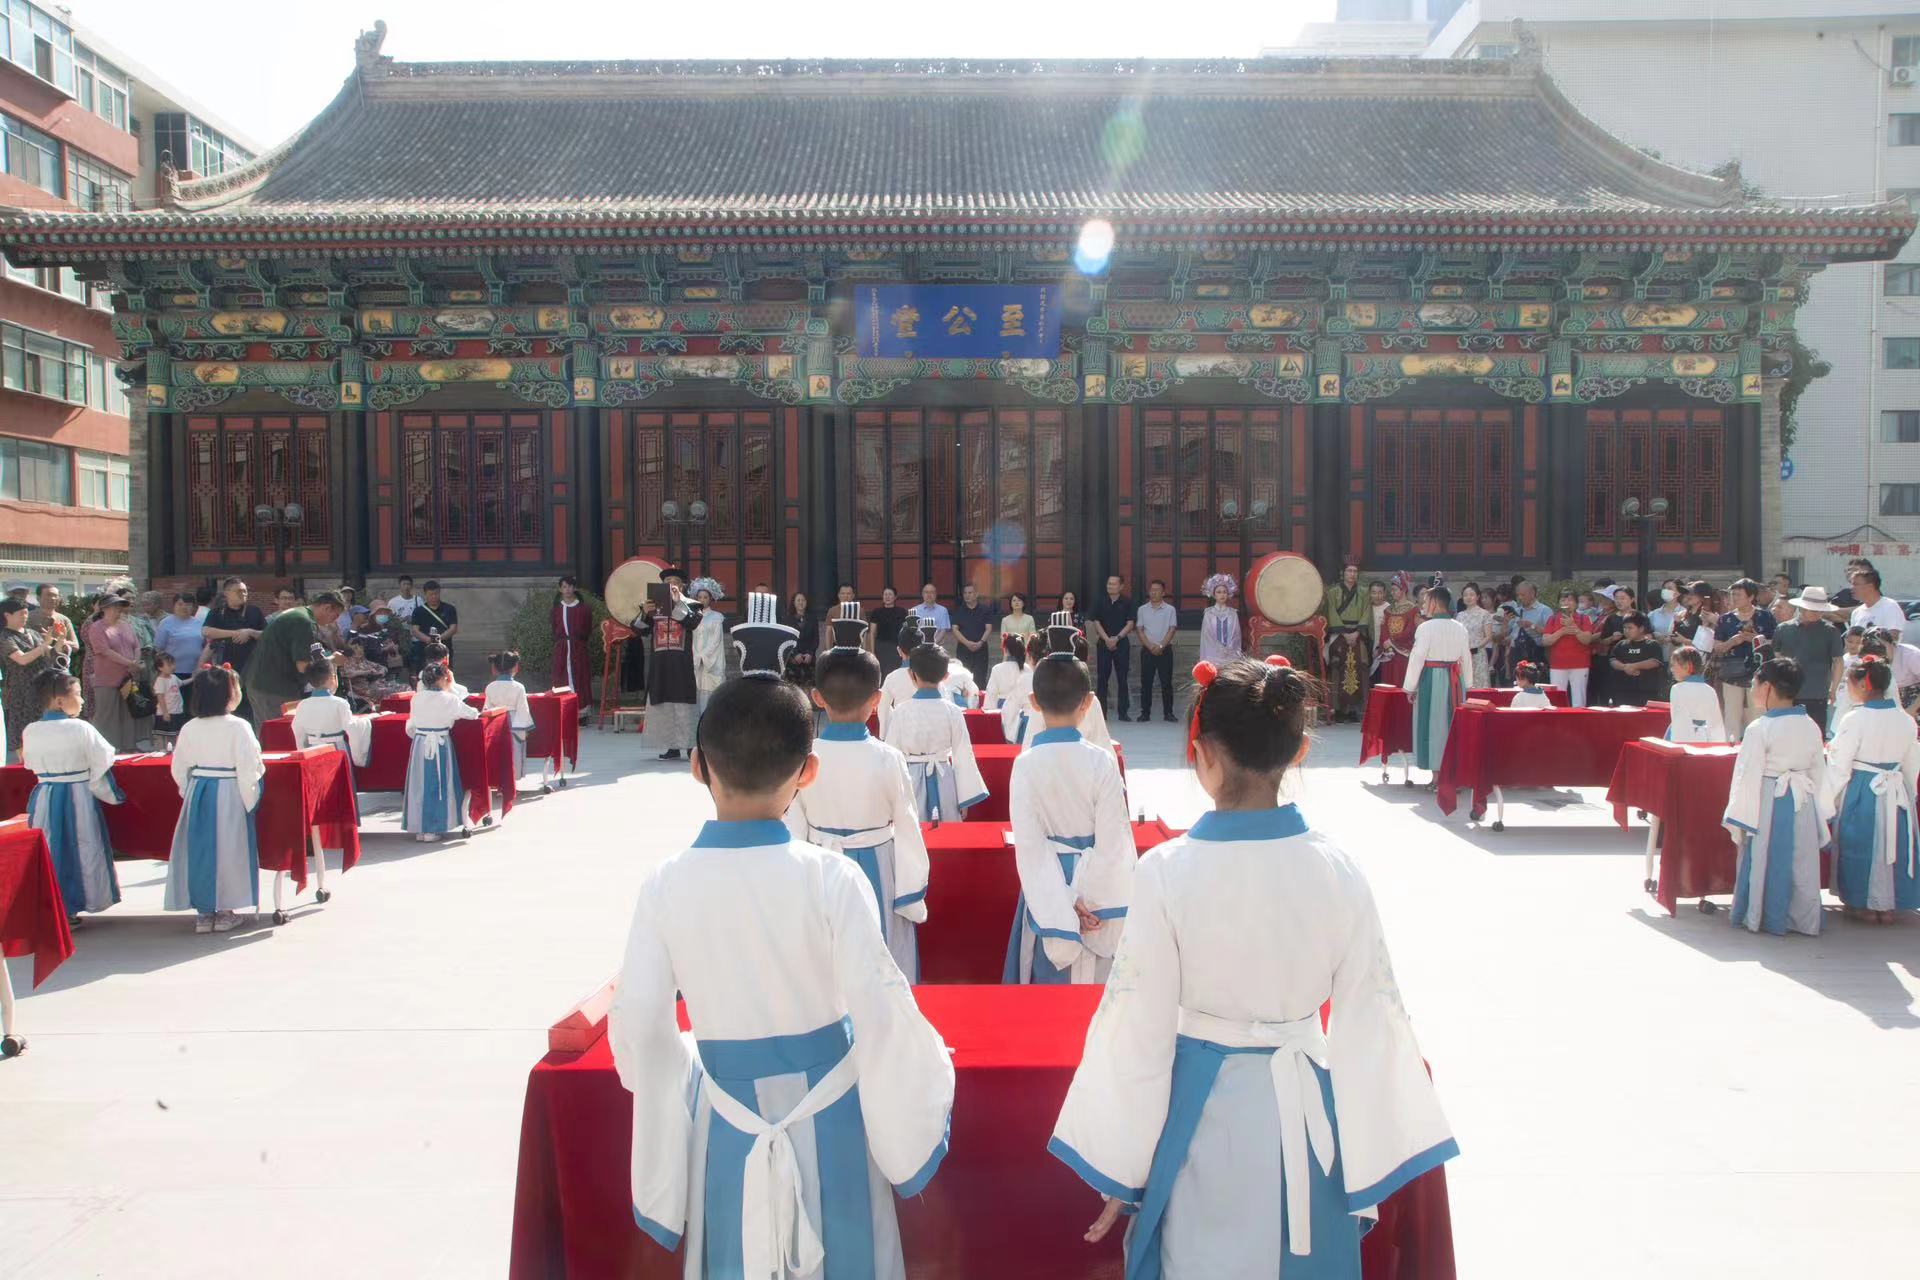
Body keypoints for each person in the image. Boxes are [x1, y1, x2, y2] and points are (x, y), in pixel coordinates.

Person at [1049, 655, 1457, 1276]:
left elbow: (1137, 1027)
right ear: (1298, 751)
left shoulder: (1166, 872)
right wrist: (1372, 1151)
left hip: (1200, 1112)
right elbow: (1372, 1018)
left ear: (1203, 753)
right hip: (1307, 1111)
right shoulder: (1338, 870)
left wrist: (1122, 1163)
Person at [607, 674, 954, 1278]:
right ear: (808, 772)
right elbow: (882, 1010)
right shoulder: (832, 878)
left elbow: (639, 1020)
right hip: (834, 1115)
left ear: (698, 767)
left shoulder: (666, 883)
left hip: (728, 1121)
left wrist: (674, 1074)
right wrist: (922, 1087)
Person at [783, 646, 931, 979]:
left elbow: (794, 824)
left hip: (820, 866)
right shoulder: (888, 757)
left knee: (824, 961)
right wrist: (910, 892)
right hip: (878, 867)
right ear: (877, 699)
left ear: (817, 698)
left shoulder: (805, 756)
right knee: (880, 956)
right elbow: (908, 825)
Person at [1004, 651, 1132, 985]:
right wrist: (1091, 900)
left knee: (1047, 986)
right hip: (1099, 898)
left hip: (1046, 890)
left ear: (1034, 702)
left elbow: (1030, 848)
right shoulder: (1102, 761)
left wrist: (1065, 904)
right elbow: (1115, 841)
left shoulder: (1025, 764)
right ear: (1088, 702)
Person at [1722, 657, 1829, 936]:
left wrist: (1739, 816)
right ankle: (1802, 918)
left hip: (1768, 799)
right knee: (1801, 860)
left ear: (1767, 686)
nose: (1752, 688)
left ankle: (1765, 914)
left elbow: (1747, 774)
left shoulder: (1760, 728)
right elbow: (1819, 771)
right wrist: (1820, 809)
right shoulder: (1810, 725)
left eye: (1755, 683)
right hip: (1802, 800)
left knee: (1766, 857)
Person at [164, 665, 265, 933]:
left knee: (200, 850)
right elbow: (249, 766)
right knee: (229, 848)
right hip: (229, 790)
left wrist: (189, 791)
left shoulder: (189, 727)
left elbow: (179, 766)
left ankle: (204, 912)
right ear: (229, 695)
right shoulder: (239, 726)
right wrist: (251, 796)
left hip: (199, 790)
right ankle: (225, 911)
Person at [1824, 658, 1920, 923]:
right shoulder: (1905, 720)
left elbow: (1840, 763)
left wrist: (1828, 798)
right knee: (1894, 844)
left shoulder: (1855, 719)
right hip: (1896, 789)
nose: (1847, 687)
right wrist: (1909, 794)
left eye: (1849, 682)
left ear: (1863, 685)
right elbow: (1912, 763)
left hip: (1863, 789)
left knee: (1861, 844)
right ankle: (1889, 905)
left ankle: (1863, 903)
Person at [23, 669, 122, 920]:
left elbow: (29, 763)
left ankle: (54, 908)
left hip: (46, 796)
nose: (83, 700)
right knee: (83, 846)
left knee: (50, 847)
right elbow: (103, 757)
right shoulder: (80, 728)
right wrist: (107, 790)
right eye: (78, 694)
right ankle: (80, 901)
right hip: (77, 796)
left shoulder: (31, 730)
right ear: (60, 701)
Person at [883, 644, 987, 824]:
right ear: (946, 676)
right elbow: (963, 754)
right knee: (947, 829)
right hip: (944, 778)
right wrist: (964, 798)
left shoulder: (901, 711)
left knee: (914, 828)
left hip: (911, 779)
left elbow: (891, 755)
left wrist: (890, 797)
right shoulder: (953, 711)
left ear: (911, 674)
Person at [291, 644, 371, 826]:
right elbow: (351, 727)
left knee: (319, 788)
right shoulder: (340, 703)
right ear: (332, 678)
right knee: (339, 787)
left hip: (313, 749)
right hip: (337, 749)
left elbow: (297, 730)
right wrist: (365, 723)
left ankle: (321, 825)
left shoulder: (303, 705)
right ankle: (344, 824)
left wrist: (303, 749)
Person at [245, 592, 346, 729]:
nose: (334, 621)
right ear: (327, 608)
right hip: (276, 689)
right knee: (282, 735)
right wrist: (332, 660)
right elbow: (303, 666)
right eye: (335, 616)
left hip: (260, 684)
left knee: (267, 734)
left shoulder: (296, 614)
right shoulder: (303, 622)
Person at [405, 661, 481, 842]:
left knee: (420, 785)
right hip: (440, 743)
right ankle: (433, 828)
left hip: (420, 743)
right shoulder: (449, 699)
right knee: (438, 783)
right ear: (442, 679)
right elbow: (472, 713)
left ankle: (420, 827)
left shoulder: (416, 698)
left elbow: (412, 723)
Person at [1402, 585, 1473, 776]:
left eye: (1426, 601)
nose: (1423, 605)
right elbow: (1466, 657)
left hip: (1431, 679)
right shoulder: (1460, 627)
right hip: (1455, 680)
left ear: (1434, 602)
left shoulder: (1425, 628)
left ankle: (1436, 776)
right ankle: (1452, 773)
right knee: (1451, 724)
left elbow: (1417, 657)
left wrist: (1410, 687)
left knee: (1433, 725)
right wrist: (1468, 685)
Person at [640, 567, 701, 761]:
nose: (671, 585)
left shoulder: (692, 605)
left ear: (682, 586)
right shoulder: (653, 606)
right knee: (664, 703)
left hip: (681, 663)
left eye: (675, 582)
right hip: (660, 663)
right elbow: (639, 630)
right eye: (667, 582)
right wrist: (644, 614)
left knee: (684, 702)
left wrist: (677, 603)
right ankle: (671, 747)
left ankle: (690, 745)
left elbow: (693, 623)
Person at [1769, 587, 1845, 731]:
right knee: (1786, 733)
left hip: (1817, 693)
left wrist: (1833, 688)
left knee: (1816, 733)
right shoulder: (1783, 629)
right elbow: (1776, 658)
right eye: (1814, 610)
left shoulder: (1831, 631)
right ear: (1802, 608)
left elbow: (1838, 661)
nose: (1818, 613)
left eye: (1821, 610)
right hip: (1787, 693)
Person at [1712, 578, 1776, 738]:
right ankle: (1731, 747)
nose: (1734, 598)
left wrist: (1756, 639)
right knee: (1732, 715)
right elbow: (1717, 648)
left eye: (1738, 595)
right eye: (1732, 594)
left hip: (1758, 672)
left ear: (1751, 596)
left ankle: (1757, 745)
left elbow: (1775, 643)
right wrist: (1733, 641)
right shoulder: (1725, 619)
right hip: (1731, 672)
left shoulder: (1765, 616)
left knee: (1757, 714)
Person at [0, 596, 58, 760]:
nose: (25, 616)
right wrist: (44, 645)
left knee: (45, 729)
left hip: (42, 689)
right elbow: (22, 659)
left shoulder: (32, 633)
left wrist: (59, 641)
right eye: (21, 613)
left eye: (26, 613)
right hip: (21, 693)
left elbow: (49, 655)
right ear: (7, 615)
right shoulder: (4, 637)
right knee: (23, 733)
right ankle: (25, 766)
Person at [82, 594, 141, 752]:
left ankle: (129, 747)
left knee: (128, 712)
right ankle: (105, 749)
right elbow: (104, 651)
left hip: (127, 677)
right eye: (115, 606)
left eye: (120, 606)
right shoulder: (97, 627)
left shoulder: (125, 625)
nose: (119, 610)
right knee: (106, 714)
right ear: (105, 608)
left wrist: (135, 661)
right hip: (106, 678)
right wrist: (129, 663)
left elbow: (136, 645)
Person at [201, 578, 267, 711]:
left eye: (245, 591)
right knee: (227, 703)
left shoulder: (254, 611)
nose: (243, 594)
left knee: (251, 707)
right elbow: (206, 631)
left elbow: (267, 634)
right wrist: (236, 633)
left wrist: (250, 632)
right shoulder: (217, 612)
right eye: (239, 591)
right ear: (227, 593)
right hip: (225, 667)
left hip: (252, 667)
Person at [483, 649, 536, 784]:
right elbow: (523, 709)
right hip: (515, 723)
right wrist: (525, 729)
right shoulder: (519, 687)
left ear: (495, 668)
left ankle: (498, 781)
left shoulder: (490, 687)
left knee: (497, 753)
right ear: (515, 667)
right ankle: (511, 782)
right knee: (514, 753)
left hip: (495, 722)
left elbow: (486, 709)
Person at [1088, 575, 1134, 722]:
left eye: (1113, 584)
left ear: (1121, 586)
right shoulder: (1100, 601)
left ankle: (1123, 712)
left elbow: (1130, 623)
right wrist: (1107, 639)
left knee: (1122, 678)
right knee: (1102, 679)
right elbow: (1096, 622)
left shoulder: (1127, 602)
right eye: (1109, 583)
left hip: (1121, 644)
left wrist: (1117, 638)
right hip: (1103, 644)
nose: (1110, 586)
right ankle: (1102, 713)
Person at [1542, 589, 1596, 707]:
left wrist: (1574, 627)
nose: (1566, 602)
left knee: (1579, 698)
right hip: (1557, 664)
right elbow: (1545, 641)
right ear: (1559, 603)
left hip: (1580, 664)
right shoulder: (1552, 619)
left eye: (1570, 600)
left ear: (1576, 603)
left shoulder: (1584, 618)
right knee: (1557, 698)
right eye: (1563, 600)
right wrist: (1562, 631)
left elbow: (1587, 640)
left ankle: (1579, 718)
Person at [1134, 579, 1179, 723]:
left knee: (1166, 683)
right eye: (1152, 590)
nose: (1153, 592)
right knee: (1146, 682)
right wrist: (1149, 646)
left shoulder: (1170, 609)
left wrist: (1160, 646)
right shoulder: (1142, 609)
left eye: (1157, 590)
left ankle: (1168, 713)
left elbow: (1172, 629)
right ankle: (1145, 713)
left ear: (1163, 593)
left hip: (1165, 650)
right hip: (1147, 650)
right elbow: (1139, 630)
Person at [1665, 648, 1726, 743]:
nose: (1671, 669)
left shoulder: (1677, 689)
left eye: (1673, 665)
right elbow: (1716, 723)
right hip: (1706, 743)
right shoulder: (1710, 690)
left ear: (1686, 666)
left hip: (1682, 741)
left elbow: (1678, 722)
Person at [550, 575, 593, 706]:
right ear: (560, 589)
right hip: (562, 647)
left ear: (574, 588)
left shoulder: (584, 609)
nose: (567, 589)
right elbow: (554, 628)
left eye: (570, 586)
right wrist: (562, 642)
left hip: (578, 646)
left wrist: (578, 642)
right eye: (564, 587)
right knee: (561, 675)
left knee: (580, 674)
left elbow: (588, 628)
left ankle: (582, 708)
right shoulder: (556, 609)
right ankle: (563, 707)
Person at [1371, 572, 1419, 689]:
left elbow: (1410, 630)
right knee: (1388, 683)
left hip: (1403, 654)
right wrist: (1386, 643)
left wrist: (1392, 642)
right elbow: (1384, 628)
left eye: (1395, 590)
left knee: (1401, 682)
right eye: (1391, 590)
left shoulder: (1413, 610)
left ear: (1404, 590)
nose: (1392, 592)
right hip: (1389, 653)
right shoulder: (1388, 610)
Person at [1607, 613, 1666, 707]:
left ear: (1641, 628)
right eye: (1624, 628)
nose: (1626, 631)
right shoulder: (1621, 645)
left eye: (1630, 628)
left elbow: (1655, 661)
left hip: (1647, 692)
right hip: (1623, 692)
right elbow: (1613, 660)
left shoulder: (1652, 644)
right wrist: (1624, 667)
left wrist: (1634, 666)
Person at [153, 593, 205, 699]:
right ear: (174, 606)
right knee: (173, 704)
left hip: (195, 671)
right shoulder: (165, 623)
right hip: (172, 672)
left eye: (188, 604)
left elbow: (205, 646)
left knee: (193, 703)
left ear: (193, 607)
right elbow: (158, 648)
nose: (184, 607)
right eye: (180, 604)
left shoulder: (199, 623)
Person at [690, 578, 728, 718]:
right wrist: (696, 656)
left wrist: (703, 656)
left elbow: (716, 640)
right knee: (697, 688)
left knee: (711, 689)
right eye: (700, 597)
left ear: (710, 598)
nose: (702, 600)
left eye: (705, 597)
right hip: (696, 658)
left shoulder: (717, 617)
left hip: (711, 660)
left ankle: (712, 719)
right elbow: (691, 639)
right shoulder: (692, 616)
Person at [950, 582, 999, 690]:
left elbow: (988, 628)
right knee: (963, 678)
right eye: (965, 593)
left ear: (976, 594)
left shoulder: (985, 610)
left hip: (981, 649)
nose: (967, 595)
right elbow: (955, 629)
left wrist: (981, 642)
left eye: (970, 592)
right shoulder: (958, 611)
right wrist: (967, 643)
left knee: (980, 678)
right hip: (963, 649)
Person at [1001, 633, 1042, 745]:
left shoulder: (1025, 678)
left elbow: (1009, 710)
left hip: (1029, 724)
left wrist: (1010, 733)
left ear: (1029, 655)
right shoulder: (1060, 678)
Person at [28, 582, 77, 675]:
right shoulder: (28, 618)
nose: (53, 598)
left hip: (59, 668)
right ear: (38, 598)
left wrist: (56, 640)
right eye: (49, 595)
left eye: (56, 596)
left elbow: (75, 646)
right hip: (35, 670)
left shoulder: (64, 619)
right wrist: (41, 638)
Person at [410, 581, 460, 665]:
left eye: (436, 594)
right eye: (431, 594)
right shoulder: (418, 611)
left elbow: (453, 628)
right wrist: (428, 639)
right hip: (425, 649)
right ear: (425, 594)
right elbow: (415, 630)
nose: (434, 597)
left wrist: (438, 639)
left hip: (444, 648)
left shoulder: (449, 609)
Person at [1455, 582, 1494, 691]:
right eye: (1465, 595)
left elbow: (1489, 636)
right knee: (1465, 684)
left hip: (1479, 653)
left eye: (1471, 595)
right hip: (1463, 654)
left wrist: (1476, 647)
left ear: (1477, 597)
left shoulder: (1484, 614)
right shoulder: (1460, 615)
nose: (1468, 597)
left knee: (1480, 684)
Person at [1847, 567, 1903, 642]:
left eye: (1855, 584)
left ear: (1870, 586)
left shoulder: (1890, 606)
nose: (1851, 588)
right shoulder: (1856, 612)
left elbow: (1893, 638)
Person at [1197, 573, 1242, 667]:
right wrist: (1219, 649)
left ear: (1228, 594)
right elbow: (1207, 636)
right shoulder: (1209, 613)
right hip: (1212, 654)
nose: (1222, 594)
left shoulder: (1233, 613)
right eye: (1219, 592)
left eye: (1224, 592)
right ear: (1214, 594)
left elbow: (1236, 635)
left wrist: (1228, 649)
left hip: (1230, 654)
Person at [982, 632, 1027, 711]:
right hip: (1023, 709)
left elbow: (991, 694)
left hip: (1003, 709)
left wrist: (989, 710)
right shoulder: (1027, 669)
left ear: (1005, 649)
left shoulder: (997, 669)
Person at [870, 586, 908, 677]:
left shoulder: (902, 612)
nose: (887, 597)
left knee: (896, 674)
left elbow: (905, 631)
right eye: (885, 594)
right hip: (881, 647)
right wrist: (872, 651)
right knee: (882, 673)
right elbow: (872, 633)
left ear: (895, 597)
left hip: (897, 647)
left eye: (890, 594)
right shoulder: (876, 612)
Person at [783, 591, 819, 689]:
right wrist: (795, 654)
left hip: (809, 658)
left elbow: (815, 639)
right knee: (793, 689)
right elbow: (787, 639)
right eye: (798, 600)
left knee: (809, 688)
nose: (801, 602)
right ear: (794, 603)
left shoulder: (812, 619)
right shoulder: (787, 620)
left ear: (806, 602)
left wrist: (810, 653)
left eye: (803, 600)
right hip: (793, 659)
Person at [151, 652, 185, 741]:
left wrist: (194, 678)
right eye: (169, 665)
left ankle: (173, 748)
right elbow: (160, 698)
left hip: (177, 711)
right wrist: (165, 712)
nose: (172, 667)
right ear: (160, 668)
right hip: (167, 712)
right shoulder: (160, 681)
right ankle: (162, 748)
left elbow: (182, 683)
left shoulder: (174, 677)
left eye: (173, 664)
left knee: (175, 735)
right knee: (164, 735)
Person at [910, 582, 952, 649]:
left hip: (937, 648)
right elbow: (912, 631)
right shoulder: (914, 610)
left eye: (932, 592)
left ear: (936, 594)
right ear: (922, 594)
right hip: (919, 648)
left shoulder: (943, 610)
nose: (929, 595)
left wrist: (932, 644)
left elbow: (943, 631)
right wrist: (921, 645)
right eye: (926, 592)